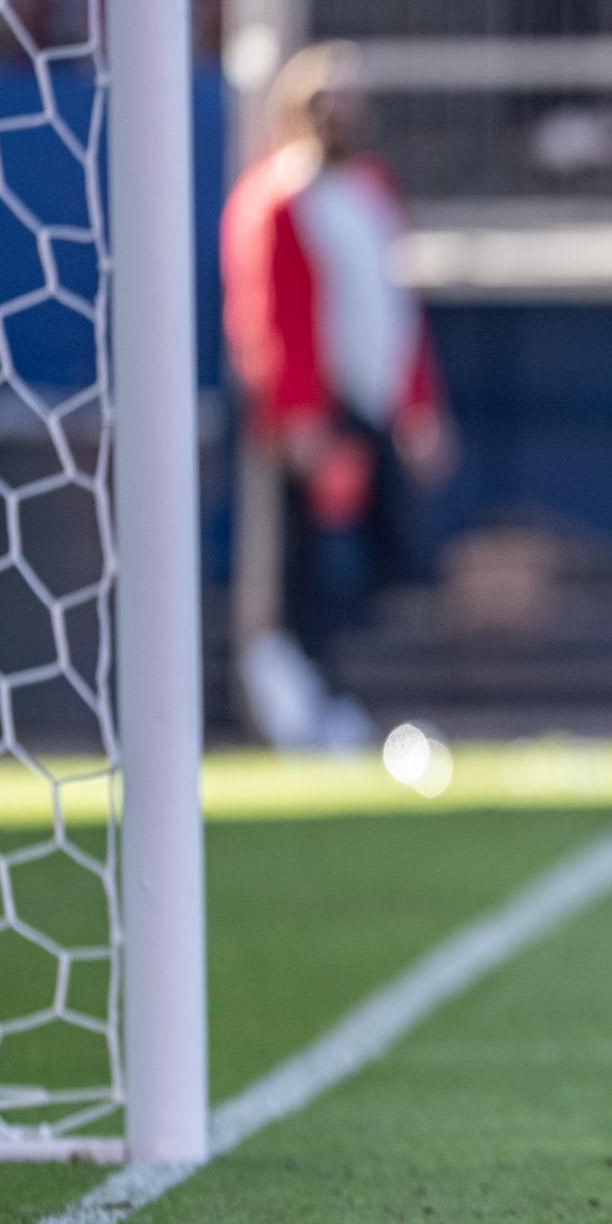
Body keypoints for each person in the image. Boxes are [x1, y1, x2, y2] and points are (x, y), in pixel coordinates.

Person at [221, 42, 455, 749]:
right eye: (329, 101)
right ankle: (304, 700)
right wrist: (298, 417)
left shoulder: (371, 192)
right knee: (312, 567)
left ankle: (341, 693)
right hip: (321, 412)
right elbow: (272, 314)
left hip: (374, 404)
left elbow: (395, 308)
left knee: (393, 557)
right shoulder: (280, 198)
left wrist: (419, 405)